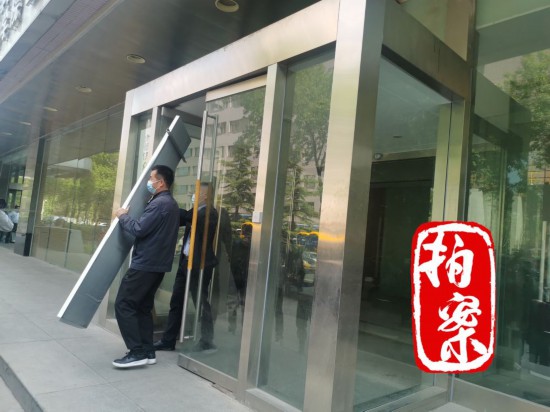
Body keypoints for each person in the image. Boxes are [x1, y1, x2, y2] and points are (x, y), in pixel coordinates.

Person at [112, 165, 180, 368]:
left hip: (146, 264)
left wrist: (122, 216)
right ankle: (148, 351)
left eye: (151, 178)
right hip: (157, 265)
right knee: (143, 307)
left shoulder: (159, 204)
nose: (148, 182)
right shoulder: (171, 204)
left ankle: (137, 352)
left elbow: (139, 229)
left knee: (123, 304)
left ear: (161, 182)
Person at [154, 182, 219, 353]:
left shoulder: (209, 213)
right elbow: (181, 219)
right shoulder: (195, 212)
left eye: (196, 192)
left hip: (200, 265)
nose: (193, 195)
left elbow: (190, 217)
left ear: (205, 195)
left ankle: (207, 341)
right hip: (186, 263)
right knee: (176, 301)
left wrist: (167, 203)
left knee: (201, 303)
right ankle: (168, 340)